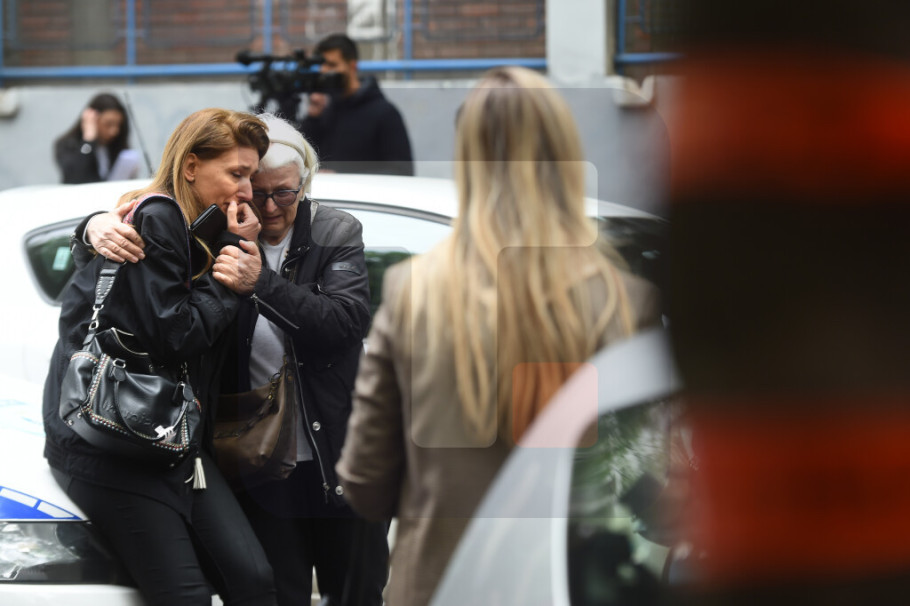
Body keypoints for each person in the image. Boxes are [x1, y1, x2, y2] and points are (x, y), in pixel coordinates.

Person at [334, 66, 662, 606]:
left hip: (440, 587)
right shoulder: (624, 302)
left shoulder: (413, 291)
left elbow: (365, 486)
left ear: (468, 159)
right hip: (570, 585)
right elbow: (646, 476)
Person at [84, 113, 389, 606]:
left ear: (304, 185)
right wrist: (91, 225)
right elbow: (140, 265)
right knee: (277, 591)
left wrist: (260, 283)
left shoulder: (333, 230)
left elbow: (344, 324)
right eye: (254, 191)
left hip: (340, 453)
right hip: (254, 459)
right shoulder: (210, 233)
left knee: (357, 591)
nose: (268, 206)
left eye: (284, 193)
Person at [43, 108, 277, 606]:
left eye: (251, 176)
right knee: (186, 594)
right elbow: (175, 334)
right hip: (112, 440)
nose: (247, 190)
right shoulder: (159, 216)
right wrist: (231, 279)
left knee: (252, 578)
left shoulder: (195, 227)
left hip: (168, 437)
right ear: (191, 166)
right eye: (236, 174)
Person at [300, 33, 414, 176]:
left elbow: (402, 171)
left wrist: (343, 177)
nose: (324, 71)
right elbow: (305, 160)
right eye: (321, 65)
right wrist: (313, 118)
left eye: (332, 65)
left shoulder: (385, 113)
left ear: (352, 66)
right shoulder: (326, 111)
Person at [53, 93, 140, 184]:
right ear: (93, 119)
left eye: (118, 125)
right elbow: (75, 176)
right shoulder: (67, 144)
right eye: (108, 124)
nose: (114, 131)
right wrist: (88, 140)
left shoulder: (116, 146)